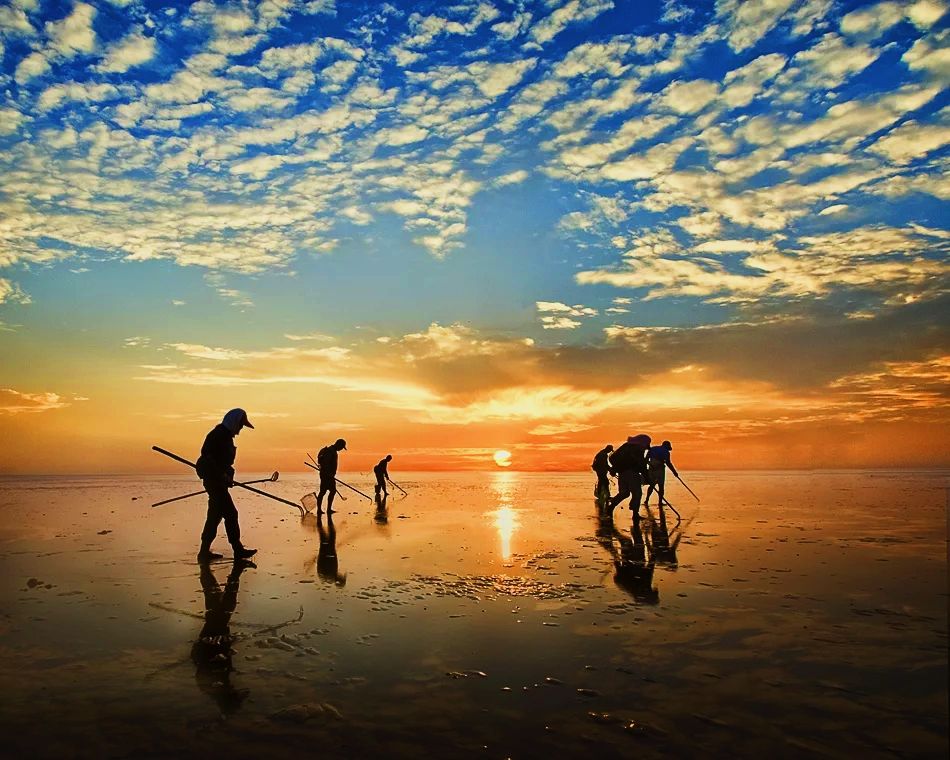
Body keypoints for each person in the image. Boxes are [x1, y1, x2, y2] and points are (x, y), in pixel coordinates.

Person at [195, 408, 257, 562]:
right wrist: (220, 475)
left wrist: (229, 476)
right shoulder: (217, 436)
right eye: (241, 425)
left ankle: (204, 552)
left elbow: (225, 464)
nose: (241, 428)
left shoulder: (227, 437)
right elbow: (207, 459)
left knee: (214, 516)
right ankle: (237, 549)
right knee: (231, 514)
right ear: (234, 422)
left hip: (219, 482)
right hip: (214, 482)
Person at [607, 434, 651, 516]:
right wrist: (647, 478)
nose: (646, 447)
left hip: (622, 473)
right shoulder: (638, 449)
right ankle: (635, 514)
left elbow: (616, 458)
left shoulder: (626, 446)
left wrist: (615, 469)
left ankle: (611, 507)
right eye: (646, 444)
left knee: (624, 493)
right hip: (632, 473)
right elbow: (642, 465)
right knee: (637, 493)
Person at [315, 438, 346, 513]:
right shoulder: (330, 451)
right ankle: (324, 509)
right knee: (328, 491)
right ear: (339, 445)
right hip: (327, 475)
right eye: (342, 447)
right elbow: (326, 463)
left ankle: (323, 509)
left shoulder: (332, 451)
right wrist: (328, 473)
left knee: (326, 491)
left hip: (328, 475)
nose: (341, 449)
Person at [644, 440, 678, 508]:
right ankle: (659, 502)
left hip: (651, 468)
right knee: (661, 486)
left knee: (652, 485)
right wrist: (674, 472)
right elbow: (668, 463)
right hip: (659, 470)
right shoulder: (666, 452)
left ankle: (646, 500)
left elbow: (646, 459)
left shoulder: (653, 448)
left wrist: (650, 465)